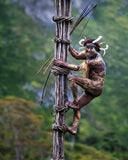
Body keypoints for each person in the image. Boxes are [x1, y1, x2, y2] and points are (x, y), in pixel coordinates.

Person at [53, 36, 107, 135]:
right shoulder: (89, 55)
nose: (89, 50)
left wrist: (62, 64)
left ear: (96, 50)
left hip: (95, 86)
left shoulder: (95, 61)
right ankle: (74, 127)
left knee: (73, 78)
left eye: (91, 48)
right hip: (94, 88)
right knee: (77, 108)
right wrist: (67, 45)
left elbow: (78, 67)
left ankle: (75, 101)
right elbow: (77, 55)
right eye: (88, 48)